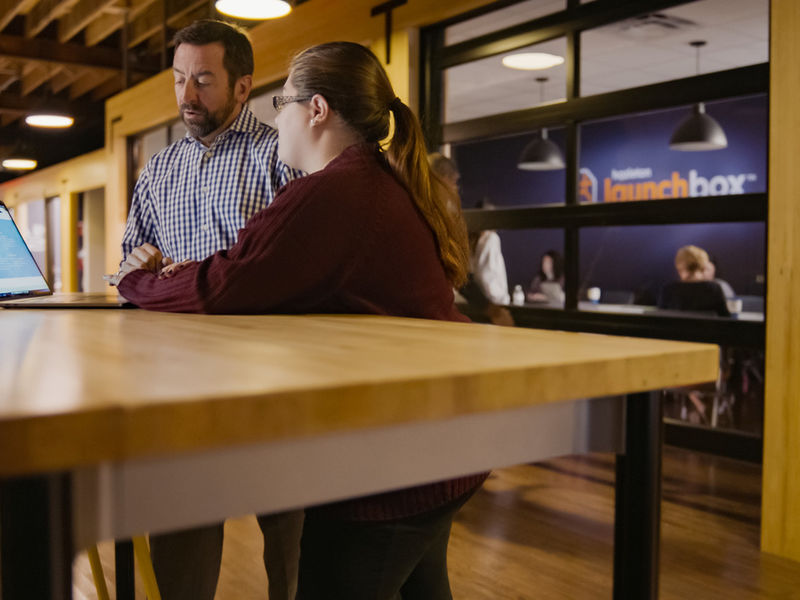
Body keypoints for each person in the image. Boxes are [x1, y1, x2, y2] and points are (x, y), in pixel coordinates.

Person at [113, 41, 487, 599]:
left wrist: (134, 281)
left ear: (316, 110)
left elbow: (224, 285)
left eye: (280, 102)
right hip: (432, 443)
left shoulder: (335, 192)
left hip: (394, 466)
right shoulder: (368, 180)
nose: (273, 118)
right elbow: (251, 270)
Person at [119, 19, 303, 600]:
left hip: (273, 379)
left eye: (202, 80)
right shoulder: (159, 169)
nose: (186, 95)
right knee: (179, 553)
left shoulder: (280, 154)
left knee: (293, 551)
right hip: (178, 382)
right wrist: (139, 258)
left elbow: (301, 263)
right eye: (178, 80)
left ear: (243, 87)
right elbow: (128, 259)